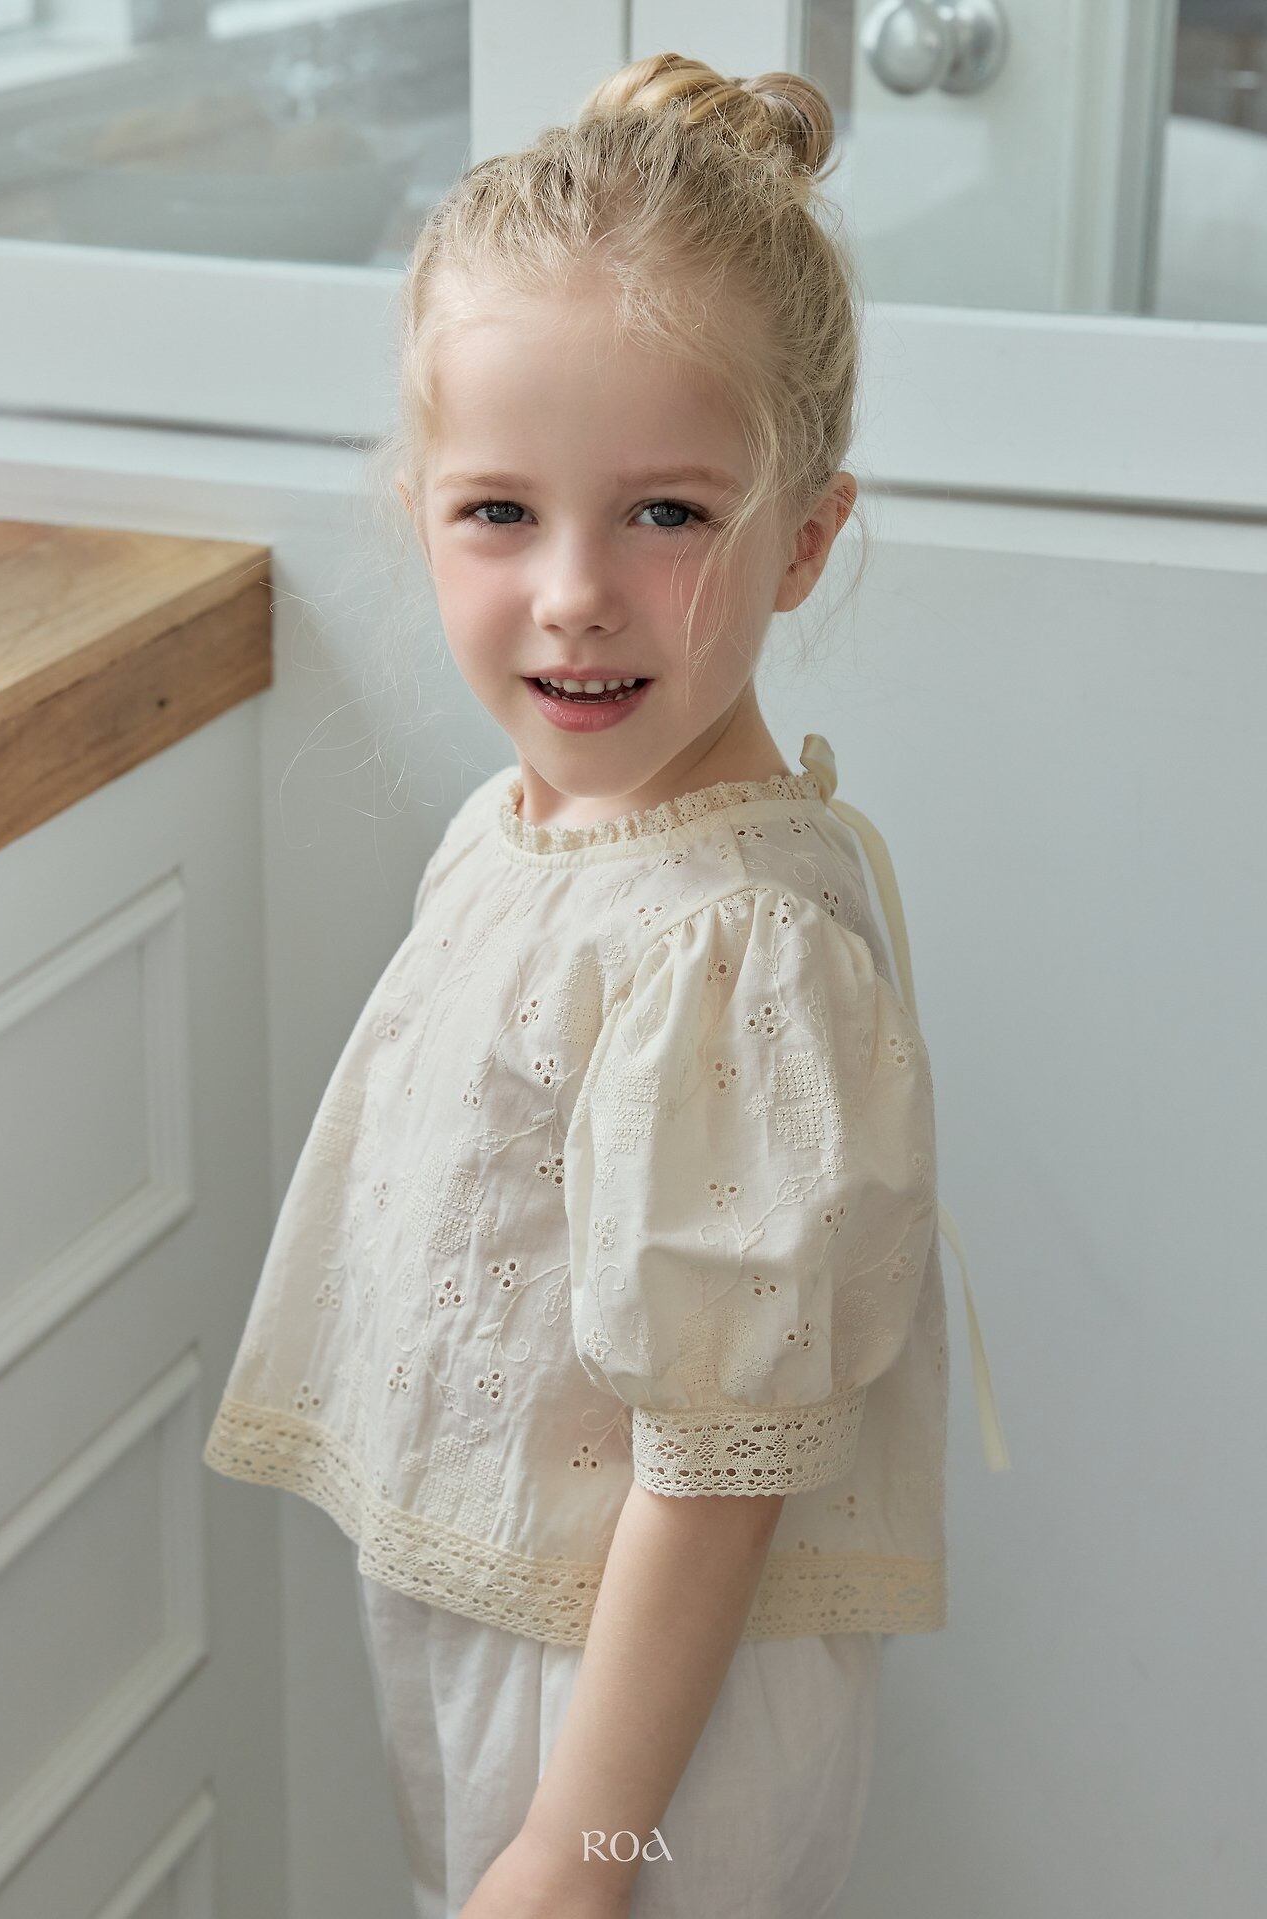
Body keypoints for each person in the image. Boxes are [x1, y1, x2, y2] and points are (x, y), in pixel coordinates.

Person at [203, 50, 1010, 1919]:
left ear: (804, 539)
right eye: (500, 511)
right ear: (421, 510)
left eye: (666, 515)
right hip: (503, 1614)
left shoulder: (734, 947)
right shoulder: (518, 833)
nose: (573, 591)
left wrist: (579, 1850)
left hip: (647, 1709)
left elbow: (718, 1468)